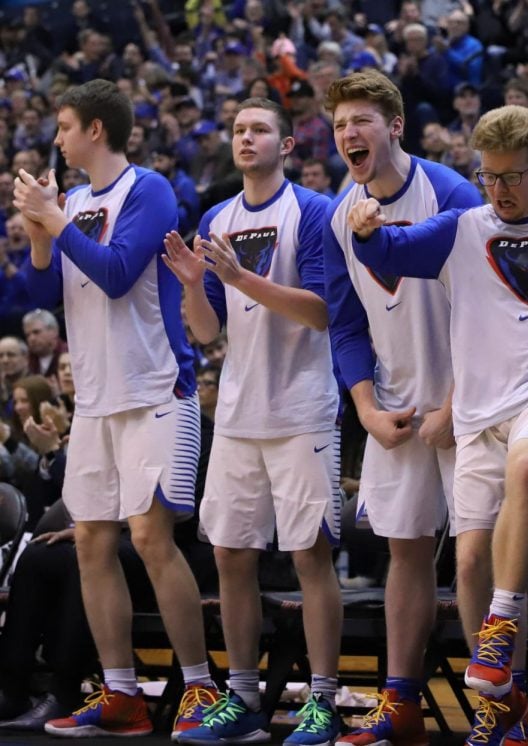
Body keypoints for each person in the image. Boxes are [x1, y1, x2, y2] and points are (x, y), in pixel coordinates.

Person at [347, 103, 528, 746]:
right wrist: (367, 233)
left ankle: (503, 627)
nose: (499, 190)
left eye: (512, 176)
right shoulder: (461, 228)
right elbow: (394, 253)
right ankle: (503, 707)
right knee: (470, 562)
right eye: (488, 177)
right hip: (478, 412)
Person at [13, 78, 217, 740]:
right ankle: (121, 693)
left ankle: (199, 689)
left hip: (157, 389)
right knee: (93, 544)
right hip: (96, 401)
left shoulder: (149, 190)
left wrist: (57, 223)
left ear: (95, 130)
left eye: (66, 126)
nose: (60, 137)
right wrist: (39, 230)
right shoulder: (71, 199)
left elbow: (117, 270)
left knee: (152, 538)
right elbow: (40, 288)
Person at [163, 96, 343, 746]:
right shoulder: (217, 217)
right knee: (230, 556)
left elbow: (322, 311)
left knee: (309, 557)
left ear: (286, 146)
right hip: (238, 413)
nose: (246, 138)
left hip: (302, 411)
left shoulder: (314, 212)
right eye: (239, 129)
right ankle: (239, 700)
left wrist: (242, 279)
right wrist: (192, 285)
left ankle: (323, 702)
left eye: (260, 129)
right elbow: (208, 333)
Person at [323, 69, 483, 746]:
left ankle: (501, 707)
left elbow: (489, 313)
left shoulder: (450, 192)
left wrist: (454, 401)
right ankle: (402, 704)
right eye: (338, 126)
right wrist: (363, 407)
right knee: (404, 554)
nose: (348, 134)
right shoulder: (337, 212)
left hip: (472, 404)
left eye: (360, 120)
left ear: (395, 127)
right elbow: (344, 322)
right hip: (396, 409)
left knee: (481, 564)